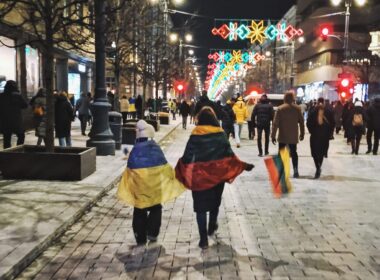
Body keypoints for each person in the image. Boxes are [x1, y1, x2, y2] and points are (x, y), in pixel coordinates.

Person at [175, 107, 254, 249]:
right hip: (217, 176)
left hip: (198, 177)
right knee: (214, 203)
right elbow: (229, 155)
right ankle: (212, 226)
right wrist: (243, 165)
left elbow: (187, 156)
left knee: (200, 209)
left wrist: (180, 168)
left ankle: (203, 239)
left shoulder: (195, 134)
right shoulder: (220, 134)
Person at [117, 120, 185, 246]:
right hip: (154, 187)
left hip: (140, 187)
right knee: (156, 207)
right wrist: (171, 176)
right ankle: (152, 233)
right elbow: (164, 165)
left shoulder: (135, 150)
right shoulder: (155, 148)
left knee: (139, 209)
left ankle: (140, 237)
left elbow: (130, 169)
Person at [271, 91, 305, 178]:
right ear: (293, 98)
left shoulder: (280, 108)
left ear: (285, 98)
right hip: (293, 136)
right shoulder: (297, 108)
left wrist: (273, 135)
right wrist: (302, 133)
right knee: (294, 153)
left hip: (283, 135)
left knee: (281, 153)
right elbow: (301, 122)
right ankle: (296, 170)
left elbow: (275, 124)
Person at [307, 97, 335, 179]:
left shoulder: (313, 112)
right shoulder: (329, 112)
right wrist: (329, 132)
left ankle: (318, 167)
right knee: (322, 152)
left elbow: (308, 123)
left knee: (315, 153)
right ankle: (319, 167)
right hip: (325, 137)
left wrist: (312, 131)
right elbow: (333, 123)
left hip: (315, 136)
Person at [0, 80, 28, 149]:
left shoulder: (1, 96)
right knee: (21, 135)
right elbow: (25, 105)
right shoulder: (17, 95)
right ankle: (18, 150)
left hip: (5, 121)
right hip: (16, 120)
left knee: (7, 139)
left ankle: (7, 154)